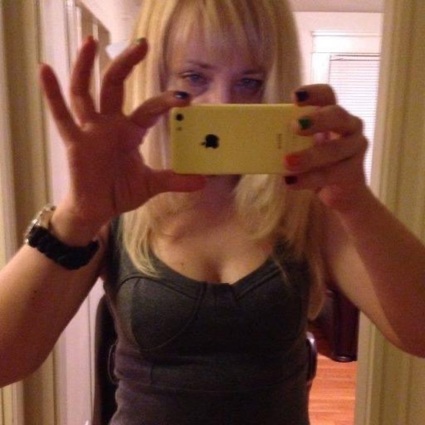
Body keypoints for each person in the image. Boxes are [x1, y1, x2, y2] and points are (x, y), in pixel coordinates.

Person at [1, 0, 425, 423]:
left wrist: (356, 201)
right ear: (157, 77)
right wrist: (76, 217)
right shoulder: (120, 202)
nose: (222, 103)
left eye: (250, 82)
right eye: (194, 78)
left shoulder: (306, 202)